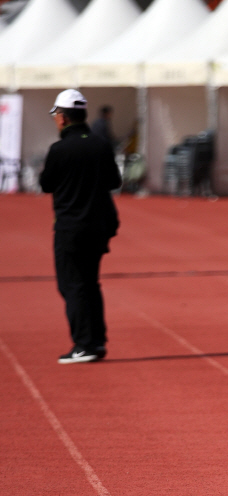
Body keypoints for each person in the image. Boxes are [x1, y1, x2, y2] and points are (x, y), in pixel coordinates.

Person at [40, 89, 122, 363]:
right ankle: (96, 341)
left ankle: (84, 344)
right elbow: (114, 182)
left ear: (62, 118)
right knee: (89, 283)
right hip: (98, 226)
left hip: (70, 227)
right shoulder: (100, 144)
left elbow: (46, 184)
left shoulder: (59, 150)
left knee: (72, 286)